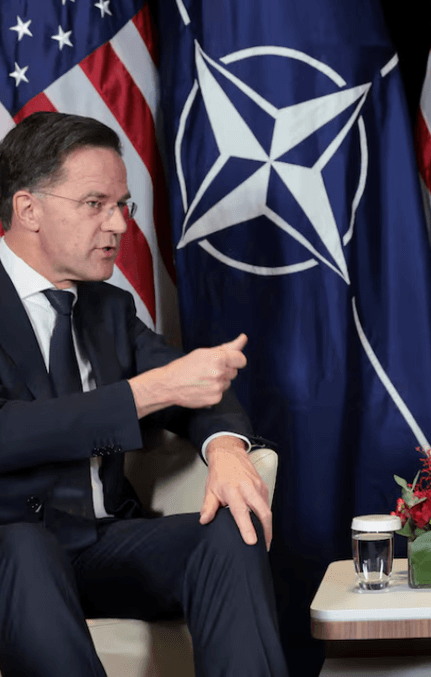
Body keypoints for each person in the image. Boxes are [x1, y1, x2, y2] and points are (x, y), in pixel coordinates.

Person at [0, 112, 288, 676]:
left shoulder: (109, 308)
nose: (119, 225)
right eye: (95, 204)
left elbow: (193, 383)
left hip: (103, 544)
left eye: (122, 205)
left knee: (230, 530)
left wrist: (227, 449)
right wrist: (141, 394)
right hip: (14, 551)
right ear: (28, 208)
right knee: (25, 549)